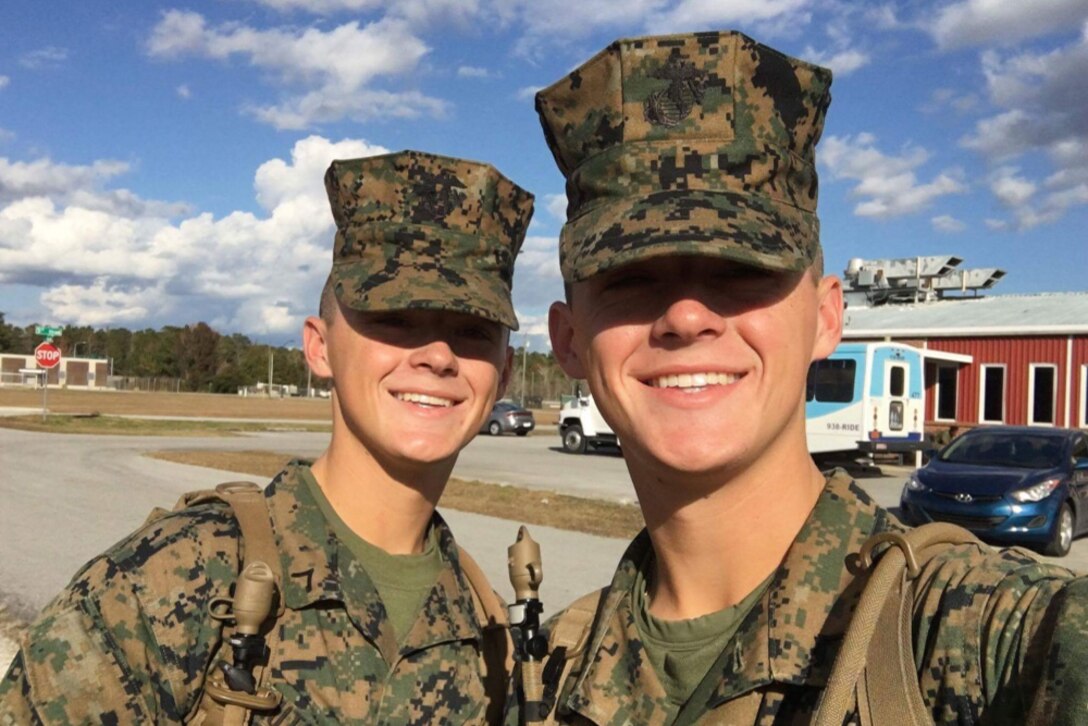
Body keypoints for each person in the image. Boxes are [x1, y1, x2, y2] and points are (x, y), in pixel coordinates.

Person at [524, 31, 1088, 724]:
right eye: (629, 278)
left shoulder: (971, 634)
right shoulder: (558, 666)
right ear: (568, 341)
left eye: (742, 269)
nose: (688, 315)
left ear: (826, 318)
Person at [0, 150, 534, 724]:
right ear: (319, 347)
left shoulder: (491, 630)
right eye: (395, 318)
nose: (437, 356)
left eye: (472, 331)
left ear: (502, 375)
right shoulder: (177, 577)